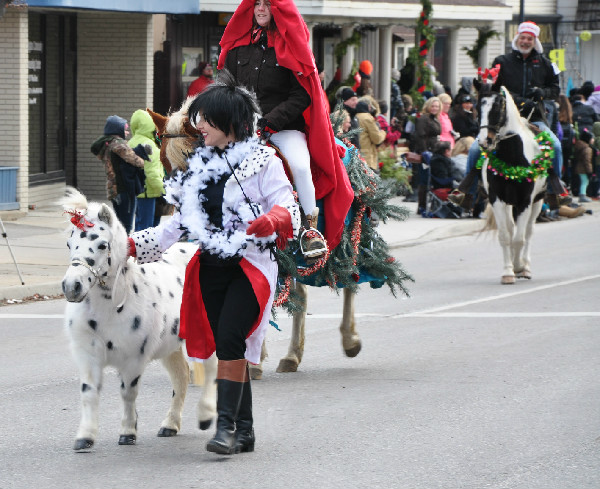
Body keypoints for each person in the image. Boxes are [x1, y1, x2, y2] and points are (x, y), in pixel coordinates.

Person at [128, 75, 300, 456]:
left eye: (206, 120)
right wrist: (128, 246)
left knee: (229, 338)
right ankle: (246, 431)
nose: (198, 126)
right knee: (229, 345)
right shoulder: (197, 167)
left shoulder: (263, 161)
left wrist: (273, 219)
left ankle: (224, 429)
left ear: (231, 124)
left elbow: (288, 204)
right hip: (209, 267)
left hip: (250, 266)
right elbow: (175, 227)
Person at [219, 0, 353, 255]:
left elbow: (301, 95)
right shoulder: (238, 48)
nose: (260, 9)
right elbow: (225, 85)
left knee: (301, 167)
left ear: (278, 10)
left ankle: (309, 230)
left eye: (267, 5)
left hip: (283, 129)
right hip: (243, 130)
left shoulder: (291, 47)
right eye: (256, 4)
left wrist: (270, 121)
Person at [449, 21, 566, 211]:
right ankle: (466, 192)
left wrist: (541, 93)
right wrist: (520, 100)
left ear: (534, 40)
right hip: (503, 120)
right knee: (475, 150)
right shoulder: (501, 61)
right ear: (517, 39)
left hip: (533, 118)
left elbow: (555, 89)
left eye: (529, 38)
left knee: (555, 145)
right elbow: (497, 89)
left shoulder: (547, 64)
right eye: (523, 38)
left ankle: (555, 191)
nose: (525, 41)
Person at [90, 115, 147, 234]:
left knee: (118, 221)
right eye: (125, 129)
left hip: (113, 189)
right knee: (125, 225)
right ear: (117, 129)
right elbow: (137, 161)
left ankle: (115, 247)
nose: (127, 132)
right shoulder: (119, 144)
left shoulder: (107, 144)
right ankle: (122, 249)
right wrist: (144, 158)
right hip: (124, 188)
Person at [128, 109, 164, 232]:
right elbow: (151, 172)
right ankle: (144, 250)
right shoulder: (149, 144)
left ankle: (137, 248)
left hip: (136, 190)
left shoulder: (130, 142)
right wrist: (163, 189)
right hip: (149, 191)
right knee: (148, 227)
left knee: (140, 223)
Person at [412, 96, 442, 213]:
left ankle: (426, 205)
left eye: (437, 106)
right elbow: (420, 136)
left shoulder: (434, 118)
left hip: (433, 151)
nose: (435, 108)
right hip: (426, 152)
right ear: (428, 106)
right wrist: (424, 152)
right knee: (424, 179)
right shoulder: (424, 118)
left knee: (428, 179)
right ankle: (422, 206)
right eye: (433, 106)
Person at [356, 98, 386, 170]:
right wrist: (383, 133)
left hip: (356, 155)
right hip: (367, 157)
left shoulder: (354, 116)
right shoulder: (368, 118)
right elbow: (377, 139)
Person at [557, 94, 575, 189]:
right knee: (565, 166)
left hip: (559, 143)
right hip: (567, 145)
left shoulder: (555, 120)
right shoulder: (568, 122)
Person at [573, 129, 594, 202]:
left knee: (583, 181)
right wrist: (589, 171)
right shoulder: (587, 149)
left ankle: (582, 194)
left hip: (579, 168)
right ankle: (582, 195)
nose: (593, 140)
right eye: (592, 138)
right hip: (583, 169)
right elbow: (587, 161)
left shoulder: (579, 146)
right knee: (585, 182)